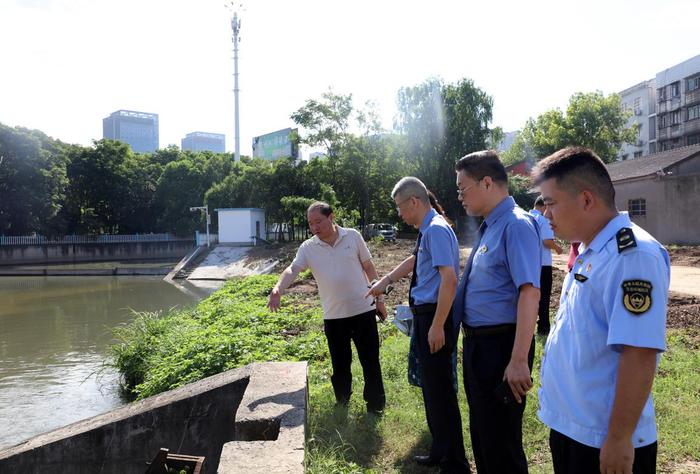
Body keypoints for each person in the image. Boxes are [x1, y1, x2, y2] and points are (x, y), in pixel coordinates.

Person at [533, 147, 669, 474]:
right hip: (574, 427)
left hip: (601, 438)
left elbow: (639, 351)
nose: (545, 215)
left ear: (586, 199)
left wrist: (620, 438)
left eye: (550, 203)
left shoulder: (632, 255)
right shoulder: (592, 249)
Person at [367, 177, 470, 473]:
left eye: (400, 207)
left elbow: (449, 280)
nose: (399, 214)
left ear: (414, 202)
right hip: (427, 314)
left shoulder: (436, 230)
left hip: (435, 315)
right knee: (431, 390)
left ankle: (456, 463)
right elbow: (414, 261)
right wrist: (384, 281)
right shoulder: (429, 230)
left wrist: (437, 326)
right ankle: (440, 449)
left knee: (441, 393)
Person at [453, 150, 541, 474]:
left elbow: (529, 292)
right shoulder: (491, 225)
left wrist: (518, 359)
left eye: (463, 189)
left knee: (502, 443)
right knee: (484, 435)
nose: (460, 197)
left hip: (502, 349)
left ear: (487, 182)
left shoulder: (516, 225)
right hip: (480, 346)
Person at [267, 201, 386, 414]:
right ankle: (342, 403)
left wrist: (380, 300)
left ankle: (375, 406)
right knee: (340, 365)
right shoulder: (308, 247)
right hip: (334, 316)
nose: (314, 227)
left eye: (318, 221)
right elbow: (292, 269)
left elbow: (369, 267)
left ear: (331, 217)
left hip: (363, 310)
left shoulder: (352, 236)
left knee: (370, 361)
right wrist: (277, 288)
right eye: (311, 223)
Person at [530, 195, 563, 335]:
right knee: (544, 297)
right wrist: (557, 248)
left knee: (530, 296)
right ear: (545, 206)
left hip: (530, 263)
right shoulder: (543, 220)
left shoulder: (527, 217)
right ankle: (543, 327)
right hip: (543, 264)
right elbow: (547, 241)